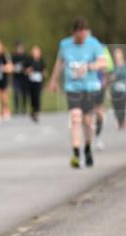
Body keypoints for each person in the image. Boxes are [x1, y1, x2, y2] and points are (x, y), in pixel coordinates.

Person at [48, 18, 106, 168]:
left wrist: (89, 66)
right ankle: (75, 153)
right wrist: (53, 80)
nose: (82, 39)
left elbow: (103, 62)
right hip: (72, 88)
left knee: (88, 121)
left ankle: (87, 149)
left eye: (84, 36)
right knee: (75, 118)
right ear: (73, 33)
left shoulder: (93, 43)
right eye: (79, 37)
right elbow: (59, 62)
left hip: (89, 87)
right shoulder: (65, 44)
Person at [25, 44, 46, 122]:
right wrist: (28, 70)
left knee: (37, 96)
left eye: (37, 52)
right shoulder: (29, 60)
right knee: (32, 97)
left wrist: (43, 74)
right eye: (34, 52)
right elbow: (25, 70)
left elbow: (44, 70)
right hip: (31, 82)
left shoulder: (41, 61)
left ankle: (36, 111)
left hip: (38, 81)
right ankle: (33, 111)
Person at [11, 41, 29, 116]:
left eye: (20, 48)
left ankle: (24, 108)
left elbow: (29, 67)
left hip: (24, 77)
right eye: (18, 48)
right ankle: (16, 109)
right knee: (16, 93)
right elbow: (10, 66)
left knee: (24, 93)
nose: (19, 49)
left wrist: (25, 70)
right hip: (16, 77)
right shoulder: (13, 57)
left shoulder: (26, 57)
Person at [110, 47, 126, 130]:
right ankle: (119, 121)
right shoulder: (113, 67)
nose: (117, 57)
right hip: (114, 90)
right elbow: (110, 77)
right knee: (116, 106)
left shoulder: (124, 66)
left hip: (123, 89)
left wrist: (117, 76)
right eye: (116, 56)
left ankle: (122, 121)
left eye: (119, 55)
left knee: (122, 105)